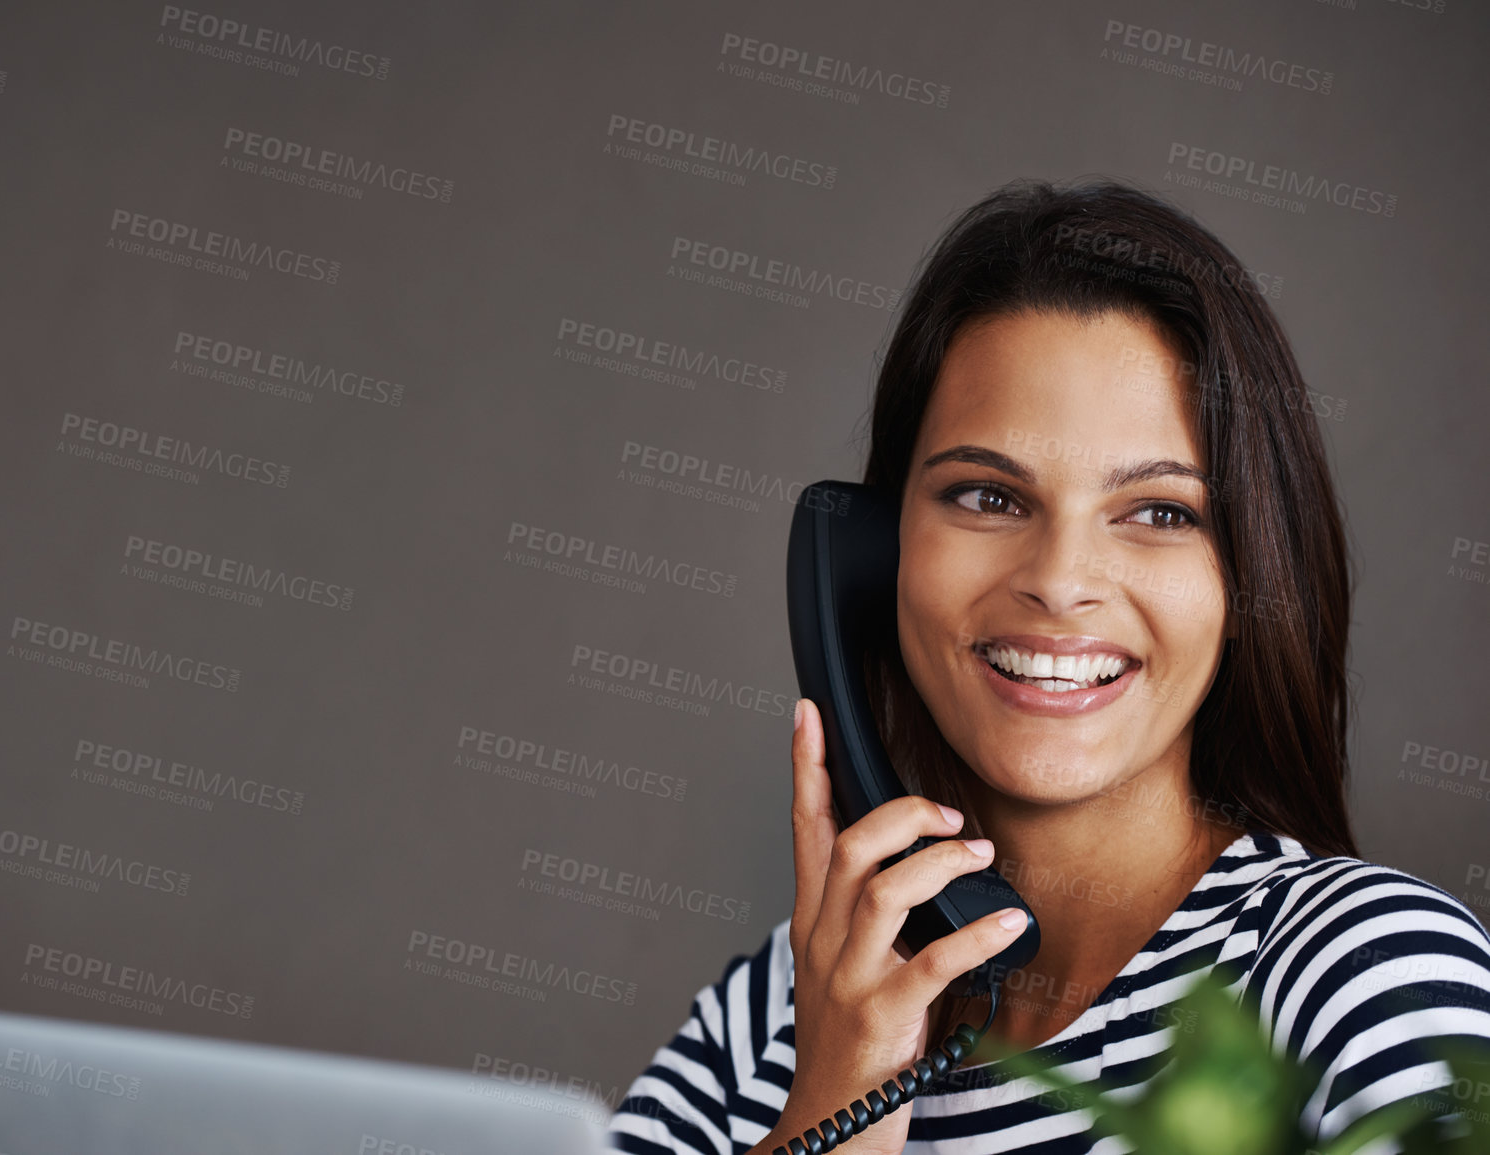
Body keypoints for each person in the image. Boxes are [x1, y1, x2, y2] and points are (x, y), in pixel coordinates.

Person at [605, 179, 1490, 1155]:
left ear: (1248, 576)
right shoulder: (769, 1020)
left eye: (1160, 513)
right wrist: (834, 1100)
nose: (1060, 582)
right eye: (987, 496)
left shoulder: (1358, 972)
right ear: (871, 555)